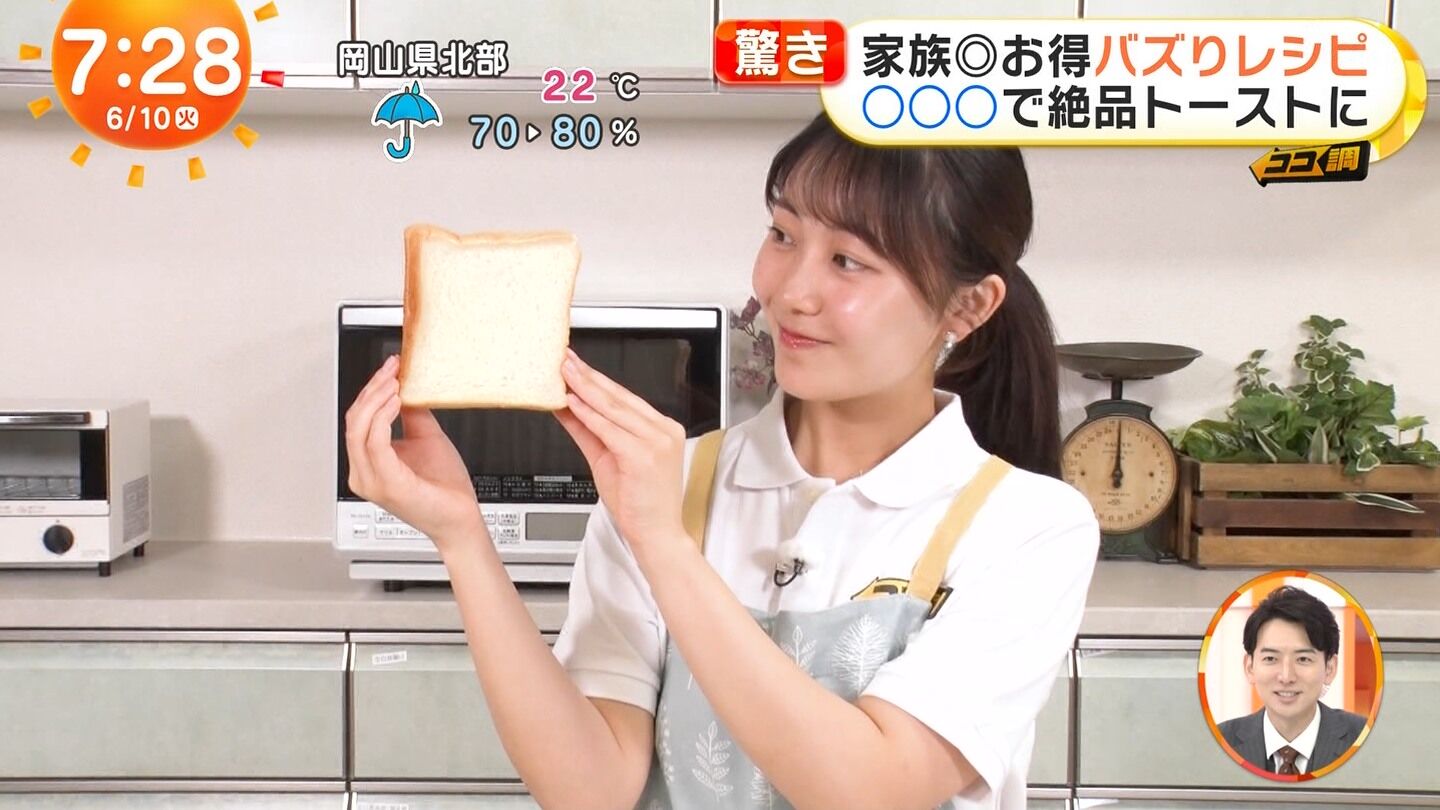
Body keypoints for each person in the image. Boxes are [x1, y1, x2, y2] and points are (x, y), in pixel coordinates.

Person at [344, 111, 1100, 809]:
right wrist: (461, 538)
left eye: (848, 261)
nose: (790, 292)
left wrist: (663, 544)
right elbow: (591, 790)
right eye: (783, 234)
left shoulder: (1030, 527)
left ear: (967, 307)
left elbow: (873, 788)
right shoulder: (665, 484)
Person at [1217, 585, 1368, 776]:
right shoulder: (1220, 742)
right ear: (1249, 667)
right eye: (1271, 658)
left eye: (1303, 659)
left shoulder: (1366, 738)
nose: (1286, 677)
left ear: (1330, 668)